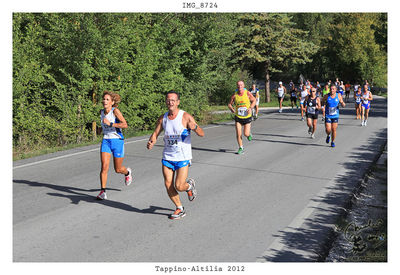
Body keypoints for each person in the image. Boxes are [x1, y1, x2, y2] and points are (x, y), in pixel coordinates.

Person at [147, 91, 204, 220]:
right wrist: (151, 141)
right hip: (167, 156)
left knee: (179, 185)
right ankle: (179, 208)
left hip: (182, 157)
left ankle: (189, 186)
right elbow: (156, 132)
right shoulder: (163, 118)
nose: (170, 102)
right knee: (168, 184)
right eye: (168, 100)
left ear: (178, 102)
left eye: (173, 100)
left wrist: (194, 127)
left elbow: (201, 133)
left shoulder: (185, 116)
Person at [97, 91, 132, 200]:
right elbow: (103, 126)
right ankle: (103, 191)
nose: (104, 101)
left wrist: (111, 124)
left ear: (112, 102)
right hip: (106, 141)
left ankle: (127, 172)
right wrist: (99, 130)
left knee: (118, 169)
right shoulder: (101, 112)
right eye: (104, 99)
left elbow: (125, 124)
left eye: (107, 99)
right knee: (104, 167)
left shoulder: (115, 111)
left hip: (117, 141)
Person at [228, 80, 256, 154]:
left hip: (247, 117)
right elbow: (229, 104)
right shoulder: (235, 95)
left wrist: (250, 108)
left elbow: (254, 100)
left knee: (246, 134)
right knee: (238, 133)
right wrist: (232, 109)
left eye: (241, 85)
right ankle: (241, 147)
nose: (240, 86)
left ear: (243, 86)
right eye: (238, 85)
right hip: (238, 117)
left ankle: (249, 134)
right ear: (237, 86)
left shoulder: (247, 93)